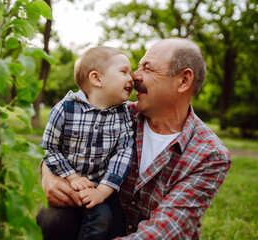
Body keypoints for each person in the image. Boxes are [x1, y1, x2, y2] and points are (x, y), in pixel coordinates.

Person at [37, 38, 232, 239]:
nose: (134, 76)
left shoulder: (210, 154)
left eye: (147, 69)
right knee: (53, 216)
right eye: (136, 68)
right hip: (104, 225)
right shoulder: (114, 116)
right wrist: (48, 175)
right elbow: (63, 146)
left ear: (183, 81)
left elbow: (164, 230)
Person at [39, 46, 135, 240]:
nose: (131, 78)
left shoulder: (123, 114)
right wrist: (72, 177)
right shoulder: (65, 109)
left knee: (103, 218)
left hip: (101, 187)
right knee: (51, 219)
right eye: (124, 72)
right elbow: (49, 147)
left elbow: (123, 154)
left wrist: (101, 191)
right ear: (96, 79)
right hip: (67, 184)